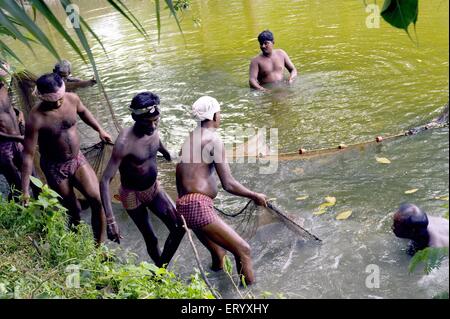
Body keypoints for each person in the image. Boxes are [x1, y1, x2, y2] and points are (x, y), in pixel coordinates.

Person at [176, 96, 268, 285]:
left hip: (185, 205)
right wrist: (254, 195)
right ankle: (249, 296)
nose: (221, 116)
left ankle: (213, 287)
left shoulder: (191, 137)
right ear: (214, 115)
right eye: (220, 112)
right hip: (197, 205)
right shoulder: (213, 139)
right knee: (244, 250)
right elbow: (229, 183)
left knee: (219, 254)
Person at [21, 73, 112, 243]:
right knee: (74, 210)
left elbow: (84, 112)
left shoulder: (72, 99)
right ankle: (74, 242)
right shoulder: (36, 117)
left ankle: (99, 247)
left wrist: (100, 130)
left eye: (59, 98)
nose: (57, 103)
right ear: (41, 96)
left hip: (77, 159)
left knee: (96, 199)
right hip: (55, 168)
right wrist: (25, 190)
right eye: (52, 101)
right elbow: (28, 154)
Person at [100, 92, 185, 267]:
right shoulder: (124, 143)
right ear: (135, 118)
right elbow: (105, 180)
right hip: (132, 196)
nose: (153, 126)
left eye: (156, 120)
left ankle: (161, 269)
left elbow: (157, 143)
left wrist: (168, 154)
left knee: (179, 227)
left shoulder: (153, 128)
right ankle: (161, 273)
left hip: (153, 188)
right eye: (148, 122)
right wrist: (110, 220)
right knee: (151, 238)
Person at [0, 60, 25, 198]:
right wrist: (17, 138)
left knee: (33, 177)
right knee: (16, 187)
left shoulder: (3, 87)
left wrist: (19, 112)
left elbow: (7, 107)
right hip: (3, 147)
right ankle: (18, 215)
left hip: (18, 140)